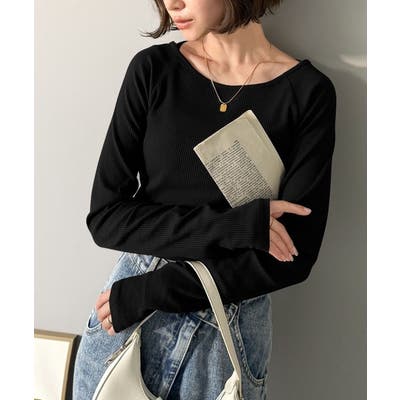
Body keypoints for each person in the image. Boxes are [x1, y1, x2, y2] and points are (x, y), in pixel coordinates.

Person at [72, 0, 336, 399]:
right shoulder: (153, 70)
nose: (172, 3)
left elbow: (294, 255)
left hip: (224, 329)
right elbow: (106, 217)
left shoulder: (307, 92)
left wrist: (154, 290)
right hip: (130, 320)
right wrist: (234, 227)